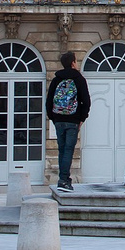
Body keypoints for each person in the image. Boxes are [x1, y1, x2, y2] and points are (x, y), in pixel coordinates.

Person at [45, 51, 91, 192]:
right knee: (68, 151)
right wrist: (82, 118)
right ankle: (64, 180)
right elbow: (86, 101)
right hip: (73, 120)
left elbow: (48, 101)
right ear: (72, 63)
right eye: (76, 61)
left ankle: (62, 178)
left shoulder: (56, 79)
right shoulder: (79, 79)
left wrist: (53, 118)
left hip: (58, 119)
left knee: (62, 150)